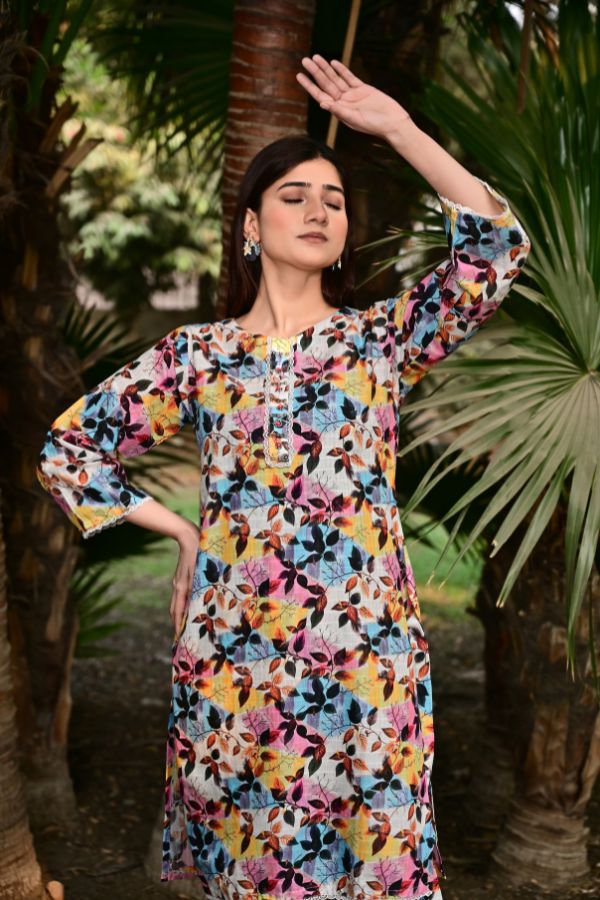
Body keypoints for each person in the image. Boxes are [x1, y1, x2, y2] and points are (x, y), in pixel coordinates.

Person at [37, 55, 530, 900]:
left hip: (367, 666)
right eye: (294, 196)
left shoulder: (381, 340)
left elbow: (495, 250)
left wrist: (398, 129)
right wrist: (185, 531)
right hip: (236, 667)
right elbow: (68, 450)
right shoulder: (198, 356)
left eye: (333, 200)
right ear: (251, 226)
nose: (318, 210)